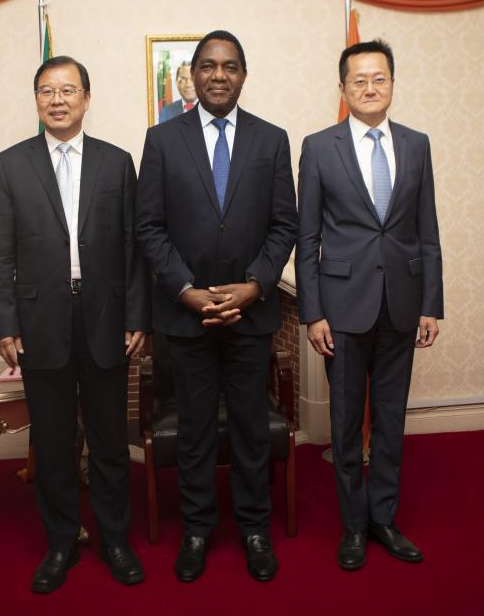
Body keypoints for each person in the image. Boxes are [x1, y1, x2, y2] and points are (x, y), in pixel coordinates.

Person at [0, 55, 150, 594]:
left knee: (109, 441)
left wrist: (136, 315)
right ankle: (60, 544)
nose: (57, 100)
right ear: (36, 100)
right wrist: (4, 324)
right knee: (53, 445)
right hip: (40, 324)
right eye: (46, 91)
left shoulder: (116, 163)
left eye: (68, 90)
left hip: (105, 319)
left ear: (86, 98)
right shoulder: (10, 165)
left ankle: (115, 541)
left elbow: (133, 249)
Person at [135, 30, 298, 583]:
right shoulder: (162, 140)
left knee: (251, 428)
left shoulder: (272, 140)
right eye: (208, 65)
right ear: (194, 75)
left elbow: (284, 225)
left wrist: (255, 285)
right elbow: (149, 227)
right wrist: (185, 289)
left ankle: (255, 529)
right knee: (195, 430)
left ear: (244, 75)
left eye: (230, 66)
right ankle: (197, 529)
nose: (219, 75)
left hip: (252, 315)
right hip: (187, 316)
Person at [296, 39, 443, 571]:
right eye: (358, 80)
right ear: (342, 88)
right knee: (343, 425)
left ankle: (384, 518)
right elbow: (307, 237)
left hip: (402, 304)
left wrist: (431, 304)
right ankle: (353, 526)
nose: (369, 87)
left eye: (379, 78)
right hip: (341, 310)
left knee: (390, 420)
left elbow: (427, 230)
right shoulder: (319, 147)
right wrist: (313, 312)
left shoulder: (417, 145)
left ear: (393, 84)